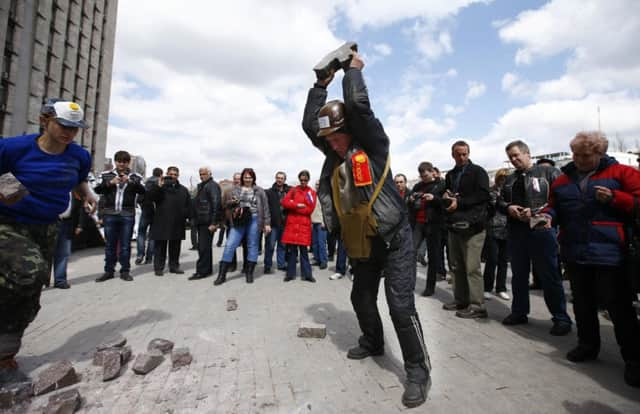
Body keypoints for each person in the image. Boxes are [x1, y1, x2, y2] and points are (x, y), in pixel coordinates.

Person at [302, 51, 430, 408]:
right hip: (363, 244)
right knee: (360, 298)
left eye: (335, 136)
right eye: (326, 139)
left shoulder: (372, 147)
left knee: (400, 307)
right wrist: (320, 85)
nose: (330, 142)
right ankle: (373, 340)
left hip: (394, 239)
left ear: (348, 131)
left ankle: (418, 370)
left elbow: (359, 109)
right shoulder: (334, 155)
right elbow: (308, 126)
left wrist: (352, 71)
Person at [0, 98, 96, 384]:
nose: (68, 132)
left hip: (47, 226)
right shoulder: (13, 148)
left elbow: (78, 180)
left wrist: (86, 194)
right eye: (63, 125)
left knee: (30, 294)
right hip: (9, 223)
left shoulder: (79, 156)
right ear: (45, 120)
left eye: (74, 128)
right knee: (28, 272)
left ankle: (5, 357)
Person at [544, 131, 640, 387]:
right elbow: (553, 206)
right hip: (575, 253)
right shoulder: (562, 180)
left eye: (585, 155)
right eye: (575, 154)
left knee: (619, 309)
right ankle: (587, 345)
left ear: (600, 153)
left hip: (610, 253)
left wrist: (616, 199)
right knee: (583, 304)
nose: (578, 159)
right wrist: (547, 216)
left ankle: (634, 360)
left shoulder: (622, 174)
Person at [499, 140, 572, 335]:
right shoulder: (508, 179)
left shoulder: (549, 173)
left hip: (542, 231)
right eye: (510, 157)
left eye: (516, 155)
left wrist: (540, 213)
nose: (514, 160)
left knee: (549, 276)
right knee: (519, 276)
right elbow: (498, 201)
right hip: (516, 233)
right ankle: (519, 312)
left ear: (527, 153)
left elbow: (562, 200)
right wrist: (508, 208)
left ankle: (561, 318)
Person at [442, 140, 490, 319]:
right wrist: (446, 196)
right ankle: (461, 299)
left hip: (474, 226)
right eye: (458, 154)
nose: (462, 157)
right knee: (456, 266)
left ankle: (477, 306)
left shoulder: (478, 171)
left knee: (472, 267)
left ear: (469, 154)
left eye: (464, 154)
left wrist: (459, 202)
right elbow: (447, 194)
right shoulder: (451, 175)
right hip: (455, 225)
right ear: (452, 155)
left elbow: (483, 195)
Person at [94, 150, 145, 282]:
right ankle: (109, 271)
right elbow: (96, 189)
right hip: (110, 213)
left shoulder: (136, 176)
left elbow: (143, 191)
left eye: (125, 161)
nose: (122, 164)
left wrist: (131, 182)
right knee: (110, 244)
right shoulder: (106, 175)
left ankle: (125, 271)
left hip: (127, 213)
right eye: (119, 161)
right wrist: (110, 183)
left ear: (128, 163)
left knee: (125, 245)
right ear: (115, 161)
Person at [215, 168, 271, 285]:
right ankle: (222, 275)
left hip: (255, 218)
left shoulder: (260, 191)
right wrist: (233, 202)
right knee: (230, 244)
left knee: (252, 244)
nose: (247, 179)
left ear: (253, 178)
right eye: (245, 177)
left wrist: (267, 223)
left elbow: (265, 208)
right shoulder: (235, 190)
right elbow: (227, 204)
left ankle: (249, 272)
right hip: (239, 219)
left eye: (250, 177)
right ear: (242, 178)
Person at [409, 162, 446, 297]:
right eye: (422, 176)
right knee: (411, 253)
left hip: (434, 224)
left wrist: (434, 198)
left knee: (432, 256)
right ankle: (410, 283)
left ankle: (430, 287)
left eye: (426, 175)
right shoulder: (418, 186)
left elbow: (447, 203)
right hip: (418, 223)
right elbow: (410, 199)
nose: (424, 178)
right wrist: (412, 198)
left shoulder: (441, 184)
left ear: (432, 172)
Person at [147, 166, 191, 276]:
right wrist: (158, 186)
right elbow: (150, 197)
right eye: (171, 174)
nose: (173, 176)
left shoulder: (183, 190)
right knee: (160, 247)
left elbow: (188, 205)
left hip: (177, 222)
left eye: (175, 175)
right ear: (166, 174)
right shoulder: (160, 186)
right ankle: (159, 268)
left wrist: (185, 215)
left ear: (178, 176)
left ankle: (174, 266)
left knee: (175, 247)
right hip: (161, 221)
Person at [281, 170, 317, 282]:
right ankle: (290, 274)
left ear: (308, 180)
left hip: (303, 226)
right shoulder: (293, 190)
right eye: (301, 180)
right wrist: (297, 205)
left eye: (305, 180)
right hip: (292, 225)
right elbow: (284, 202)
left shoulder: (311, 193)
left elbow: (309, 209)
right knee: (292, 252)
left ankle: (307, 274)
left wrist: (294, 207)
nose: (303, 182)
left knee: (304, 252)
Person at [190, 167, 222, 280]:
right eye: (200, 174)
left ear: (209, 174)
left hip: (208, 222)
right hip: (201, 221)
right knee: (204, 247)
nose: (201, 176)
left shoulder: (212, 185)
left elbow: (216, 204)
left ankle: (202, 271)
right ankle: (206, 270)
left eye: (203, 174)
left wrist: (214, 223)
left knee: (203, 247)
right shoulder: (202, 186)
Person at [483, 168, 510, 301]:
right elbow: (491, 207)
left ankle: (501, 288)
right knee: (492, 259)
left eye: (506, 179)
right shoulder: (491, 192)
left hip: (508, 229)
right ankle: (487, 287)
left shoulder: (510, 191)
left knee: (503, 261)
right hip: (493, 228)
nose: (503, 181)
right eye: (502, 179)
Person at [52, 191, 87, 289]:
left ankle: (60, 280)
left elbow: (80, 208)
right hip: (51, 222)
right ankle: (41, 281)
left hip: (67, 223)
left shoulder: (74, 192)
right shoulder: (51, 188)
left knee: (64, 253)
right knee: (47, 252)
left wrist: (79, 225)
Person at [264, 171, 290, 273]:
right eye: (278, 178)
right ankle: (267, 265)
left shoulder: (288, 191)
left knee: (282, 246)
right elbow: (266, 208)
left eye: (281, 178)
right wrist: (266, 223)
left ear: (284, 180)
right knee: (270, 246)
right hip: (273, 224)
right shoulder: (269, 192)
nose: (279, 180)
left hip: (285, 224)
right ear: (275, 178)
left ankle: (281, 264)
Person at [135, 167, 162, 265]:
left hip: (145, 209)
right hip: (156, 211)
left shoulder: (146, 182)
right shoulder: (160, 182)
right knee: (152, 235)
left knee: (141, 233)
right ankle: (149, 257)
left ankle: (139, 255)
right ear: (160, 174)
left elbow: (139, 198)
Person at [311, 180, 328, 270]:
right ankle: (317, 259)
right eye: (316, 184)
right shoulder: (313, 195)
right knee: (314, 243)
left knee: (321, 243)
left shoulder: (324, 196)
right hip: (313, 222)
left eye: (319, 184)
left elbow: (326, 210)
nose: (317, 186)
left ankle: (323, 261)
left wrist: (324, 222)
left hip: (321, 223)